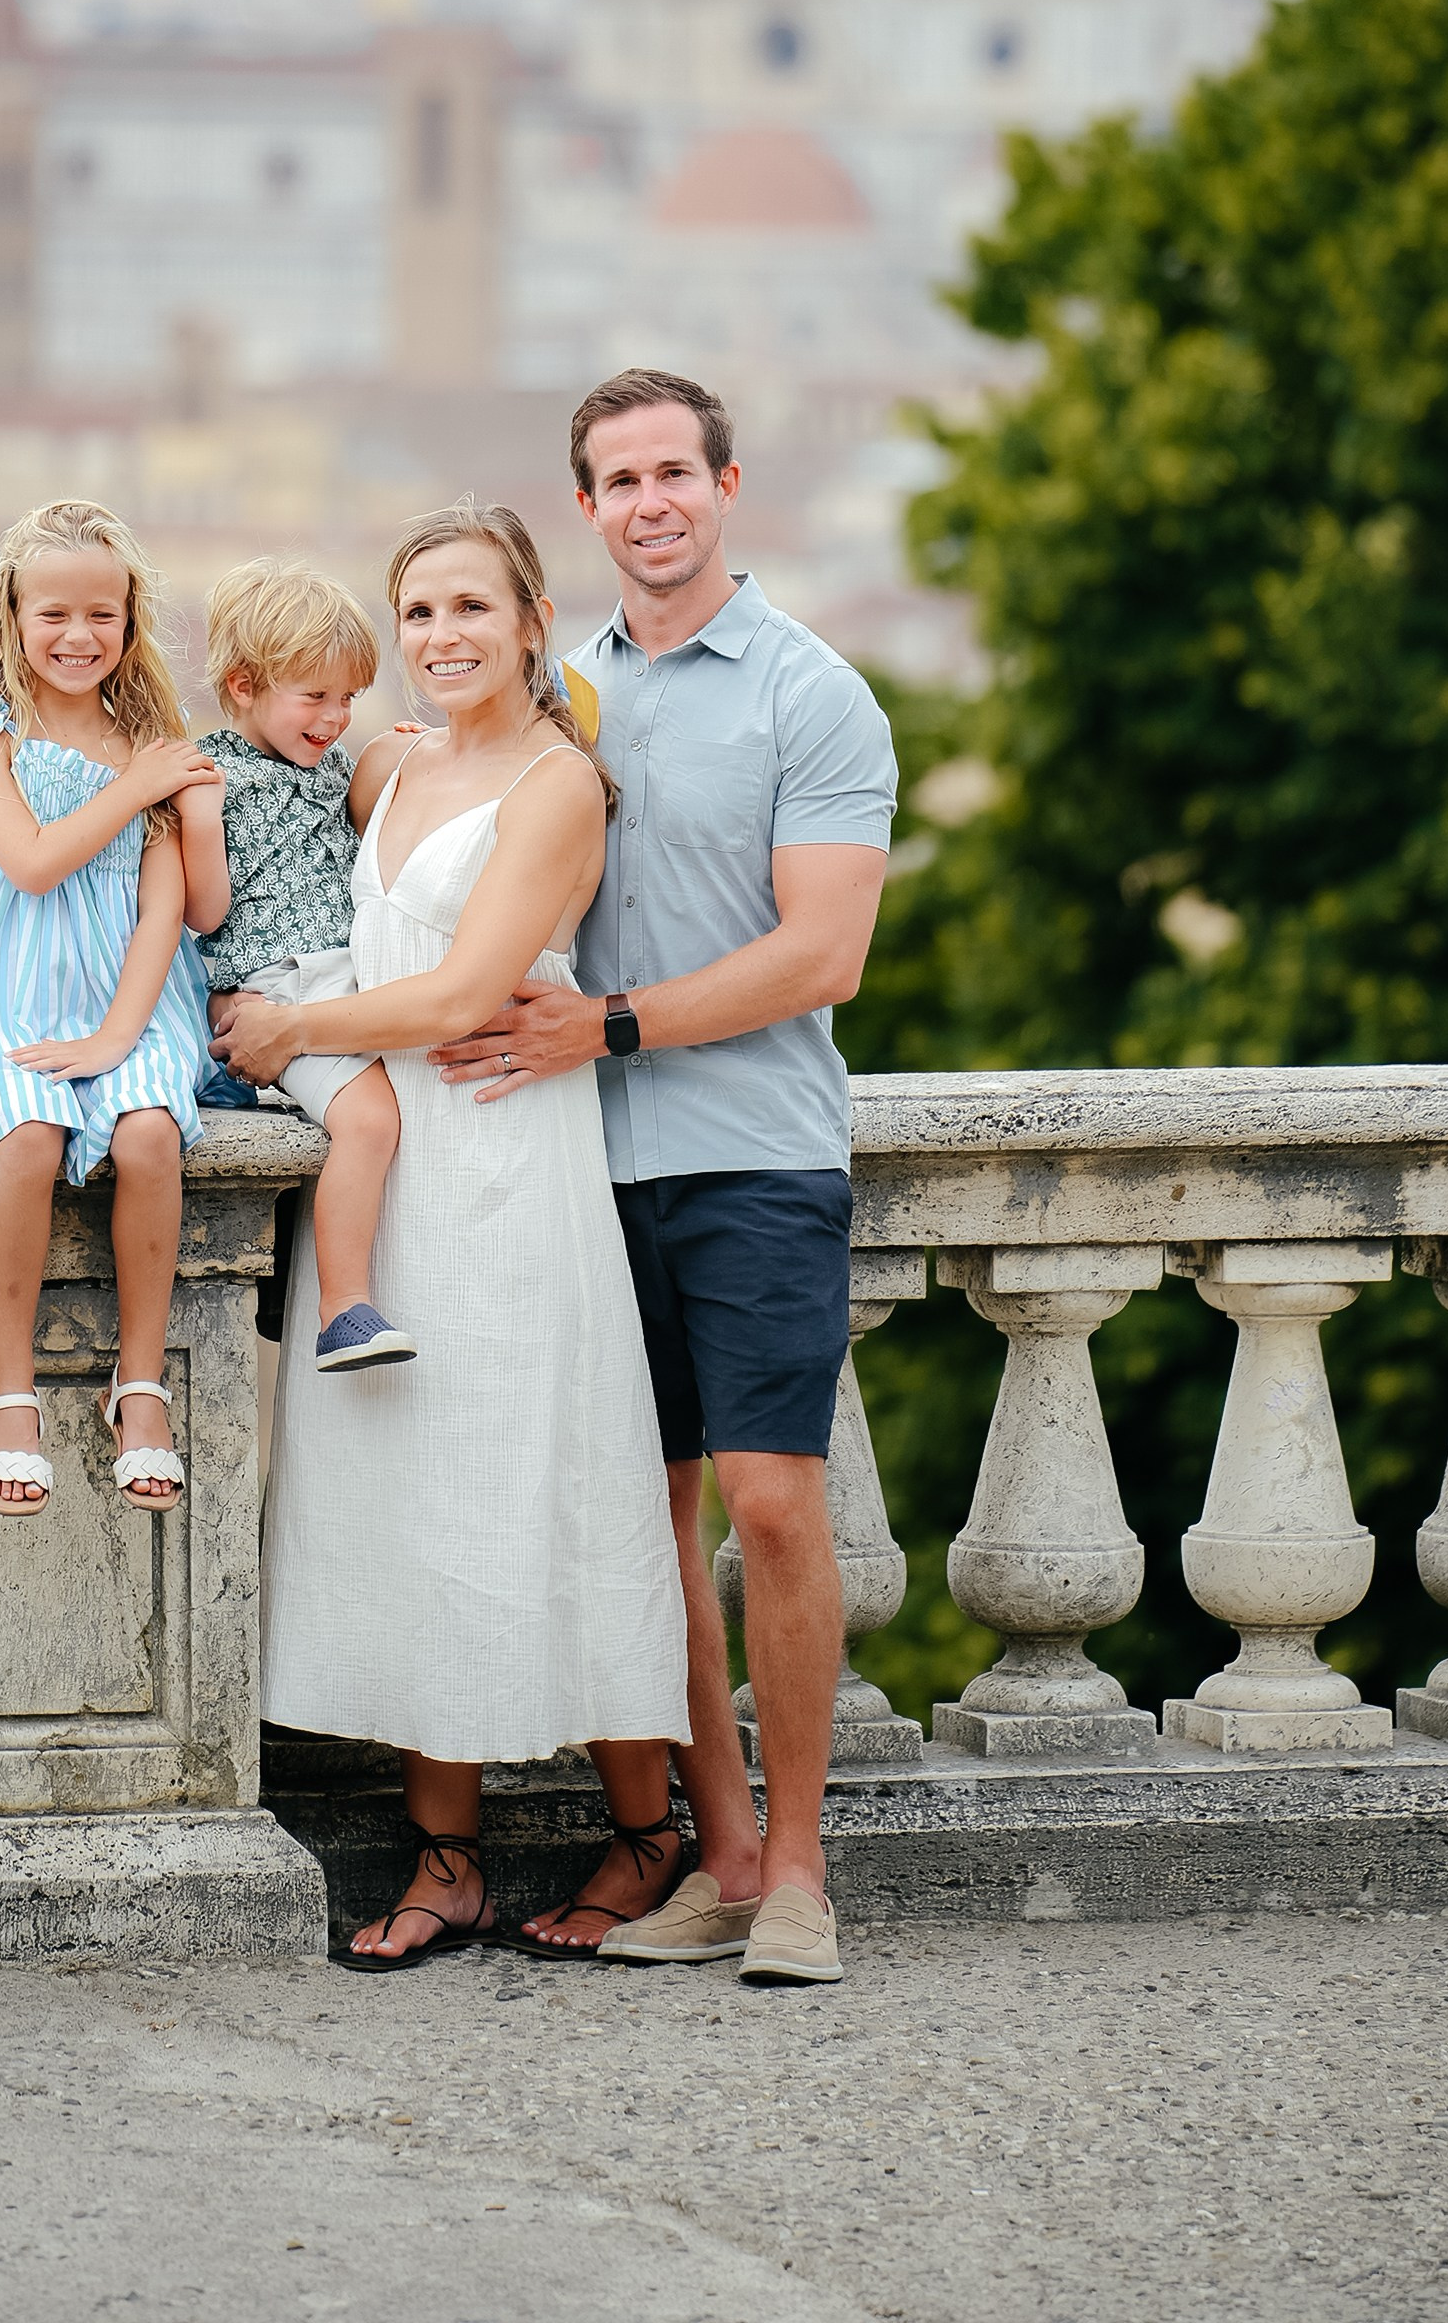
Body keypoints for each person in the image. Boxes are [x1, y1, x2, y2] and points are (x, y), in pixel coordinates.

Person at [435, 373, 895, 1988]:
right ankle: (724, 1851)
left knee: (771, 1505)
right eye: (617, 477)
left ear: (726, 482)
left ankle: (806, 1875)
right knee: (645, 1532)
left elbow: (822, 949)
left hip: (756, 1152)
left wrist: (609, 1025)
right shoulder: (552, 699)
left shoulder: (813, 692)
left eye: (672, 471)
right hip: (578, 1169)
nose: (650, 499)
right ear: (586, 507)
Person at [220, 502, 689, 1967]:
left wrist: (289, 1024)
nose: (441, 639)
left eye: (471, 609)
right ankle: (448, 1859)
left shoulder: (560, 786)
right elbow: (262, 730)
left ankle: (649, 1831)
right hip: (396, 1181)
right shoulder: (393, 762)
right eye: (417, 615)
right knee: (415, 1498)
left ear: (532, 621)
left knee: (547, 1481)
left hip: (506, 1167)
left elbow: (459, 993)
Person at [0, 499, 228, 1519]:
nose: (76, 636)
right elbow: (28, 866)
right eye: (52, 614)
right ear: (13, 618)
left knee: (150, 1134)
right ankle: (7, 1397)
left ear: (130, 621)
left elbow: (176, 911)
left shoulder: (152, 744)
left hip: (122, 991)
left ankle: (138, 1388)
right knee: (28, 1129)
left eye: (100, 615)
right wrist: (133, 785)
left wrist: (119, 1034)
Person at [193, 558, 415, 1371]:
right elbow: (203, 914)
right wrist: (197, 819)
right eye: (315, 696)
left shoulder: (319, 766)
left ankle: (299, 1277)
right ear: (245, 684)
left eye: (349, 697)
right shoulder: (209, 778)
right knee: (369, 1118)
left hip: (333, 975)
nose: (335, 716)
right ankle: (344, 1308)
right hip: (279, 983)